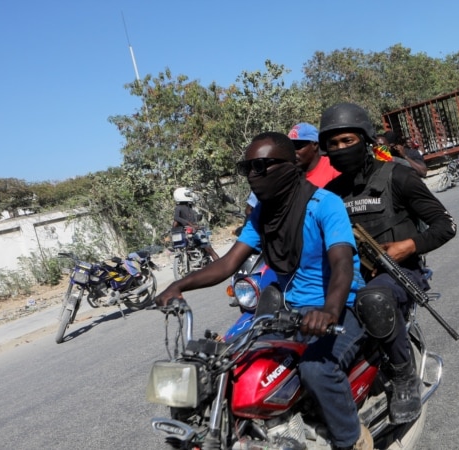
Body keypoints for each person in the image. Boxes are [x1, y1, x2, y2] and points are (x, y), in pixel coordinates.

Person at [156, 132, 372, 450]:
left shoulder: (325, 204)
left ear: (289, 165)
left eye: (262, 165)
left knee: (316, 369)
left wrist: (329, 310)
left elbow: (341, 263)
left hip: (342, 306)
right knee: (232, 363)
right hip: (292, 308)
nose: (254, 175)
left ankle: (351, 439)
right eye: (248, 168)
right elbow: (229, 263)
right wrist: (178, 285)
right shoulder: (263, 214)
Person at [319, 102, 457, 425]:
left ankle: (403, 374)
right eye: (333, 144)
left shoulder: (397, 176)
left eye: (347, 141)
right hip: (349, 277)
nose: (340, 149)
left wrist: (407, 246)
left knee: (374, 297)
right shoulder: (329, 193)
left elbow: (445, 225)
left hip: (399, 274)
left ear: (366, 140)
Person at [172, 187, 220, 262]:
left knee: (207, 247)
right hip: (187, 231)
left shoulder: (189, 206)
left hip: (191, 230)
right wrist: (189, 224)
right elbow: (176, 218)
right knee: (209, 248)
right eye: (188, 194)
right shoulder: (179, 207)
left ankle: (219, 264)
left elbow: (177, 220)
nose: (190, 196)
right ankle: (220, 264)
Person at [288, 122, 341, 187]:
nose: (293, 151)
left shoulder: (334, 169)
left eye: (298, 145)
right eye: (290, 146)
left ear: (315, 145)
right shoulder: (290, 173)